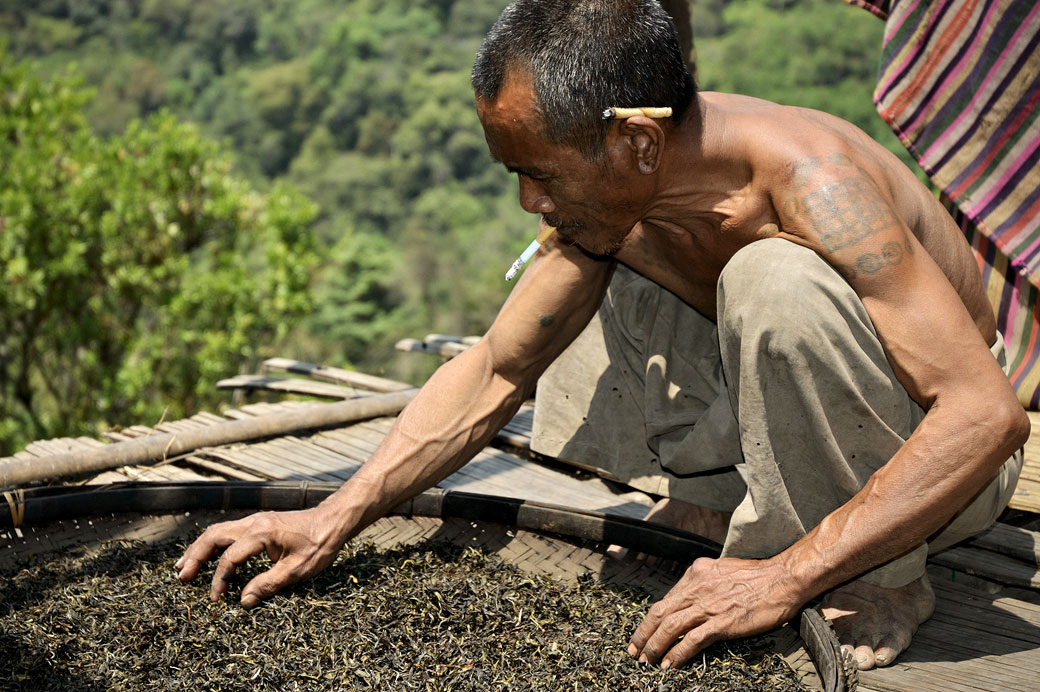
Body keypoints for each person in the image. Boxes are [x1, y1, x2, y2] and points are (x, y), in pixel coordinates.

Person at [175, 0, 1029, 673]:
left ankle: (882, 581)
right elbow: (496, 371)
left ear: (638, 139)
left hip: (939, 473)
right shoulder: (623, 196)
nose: (527, 201)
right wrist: (331, 516)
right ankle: (712, 501)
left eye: (539, 173)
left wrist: (786, 577)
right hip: (786, 413)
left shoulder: (821, 189)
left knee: (770, 280)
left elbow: (985, 418)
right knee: (601, 246)